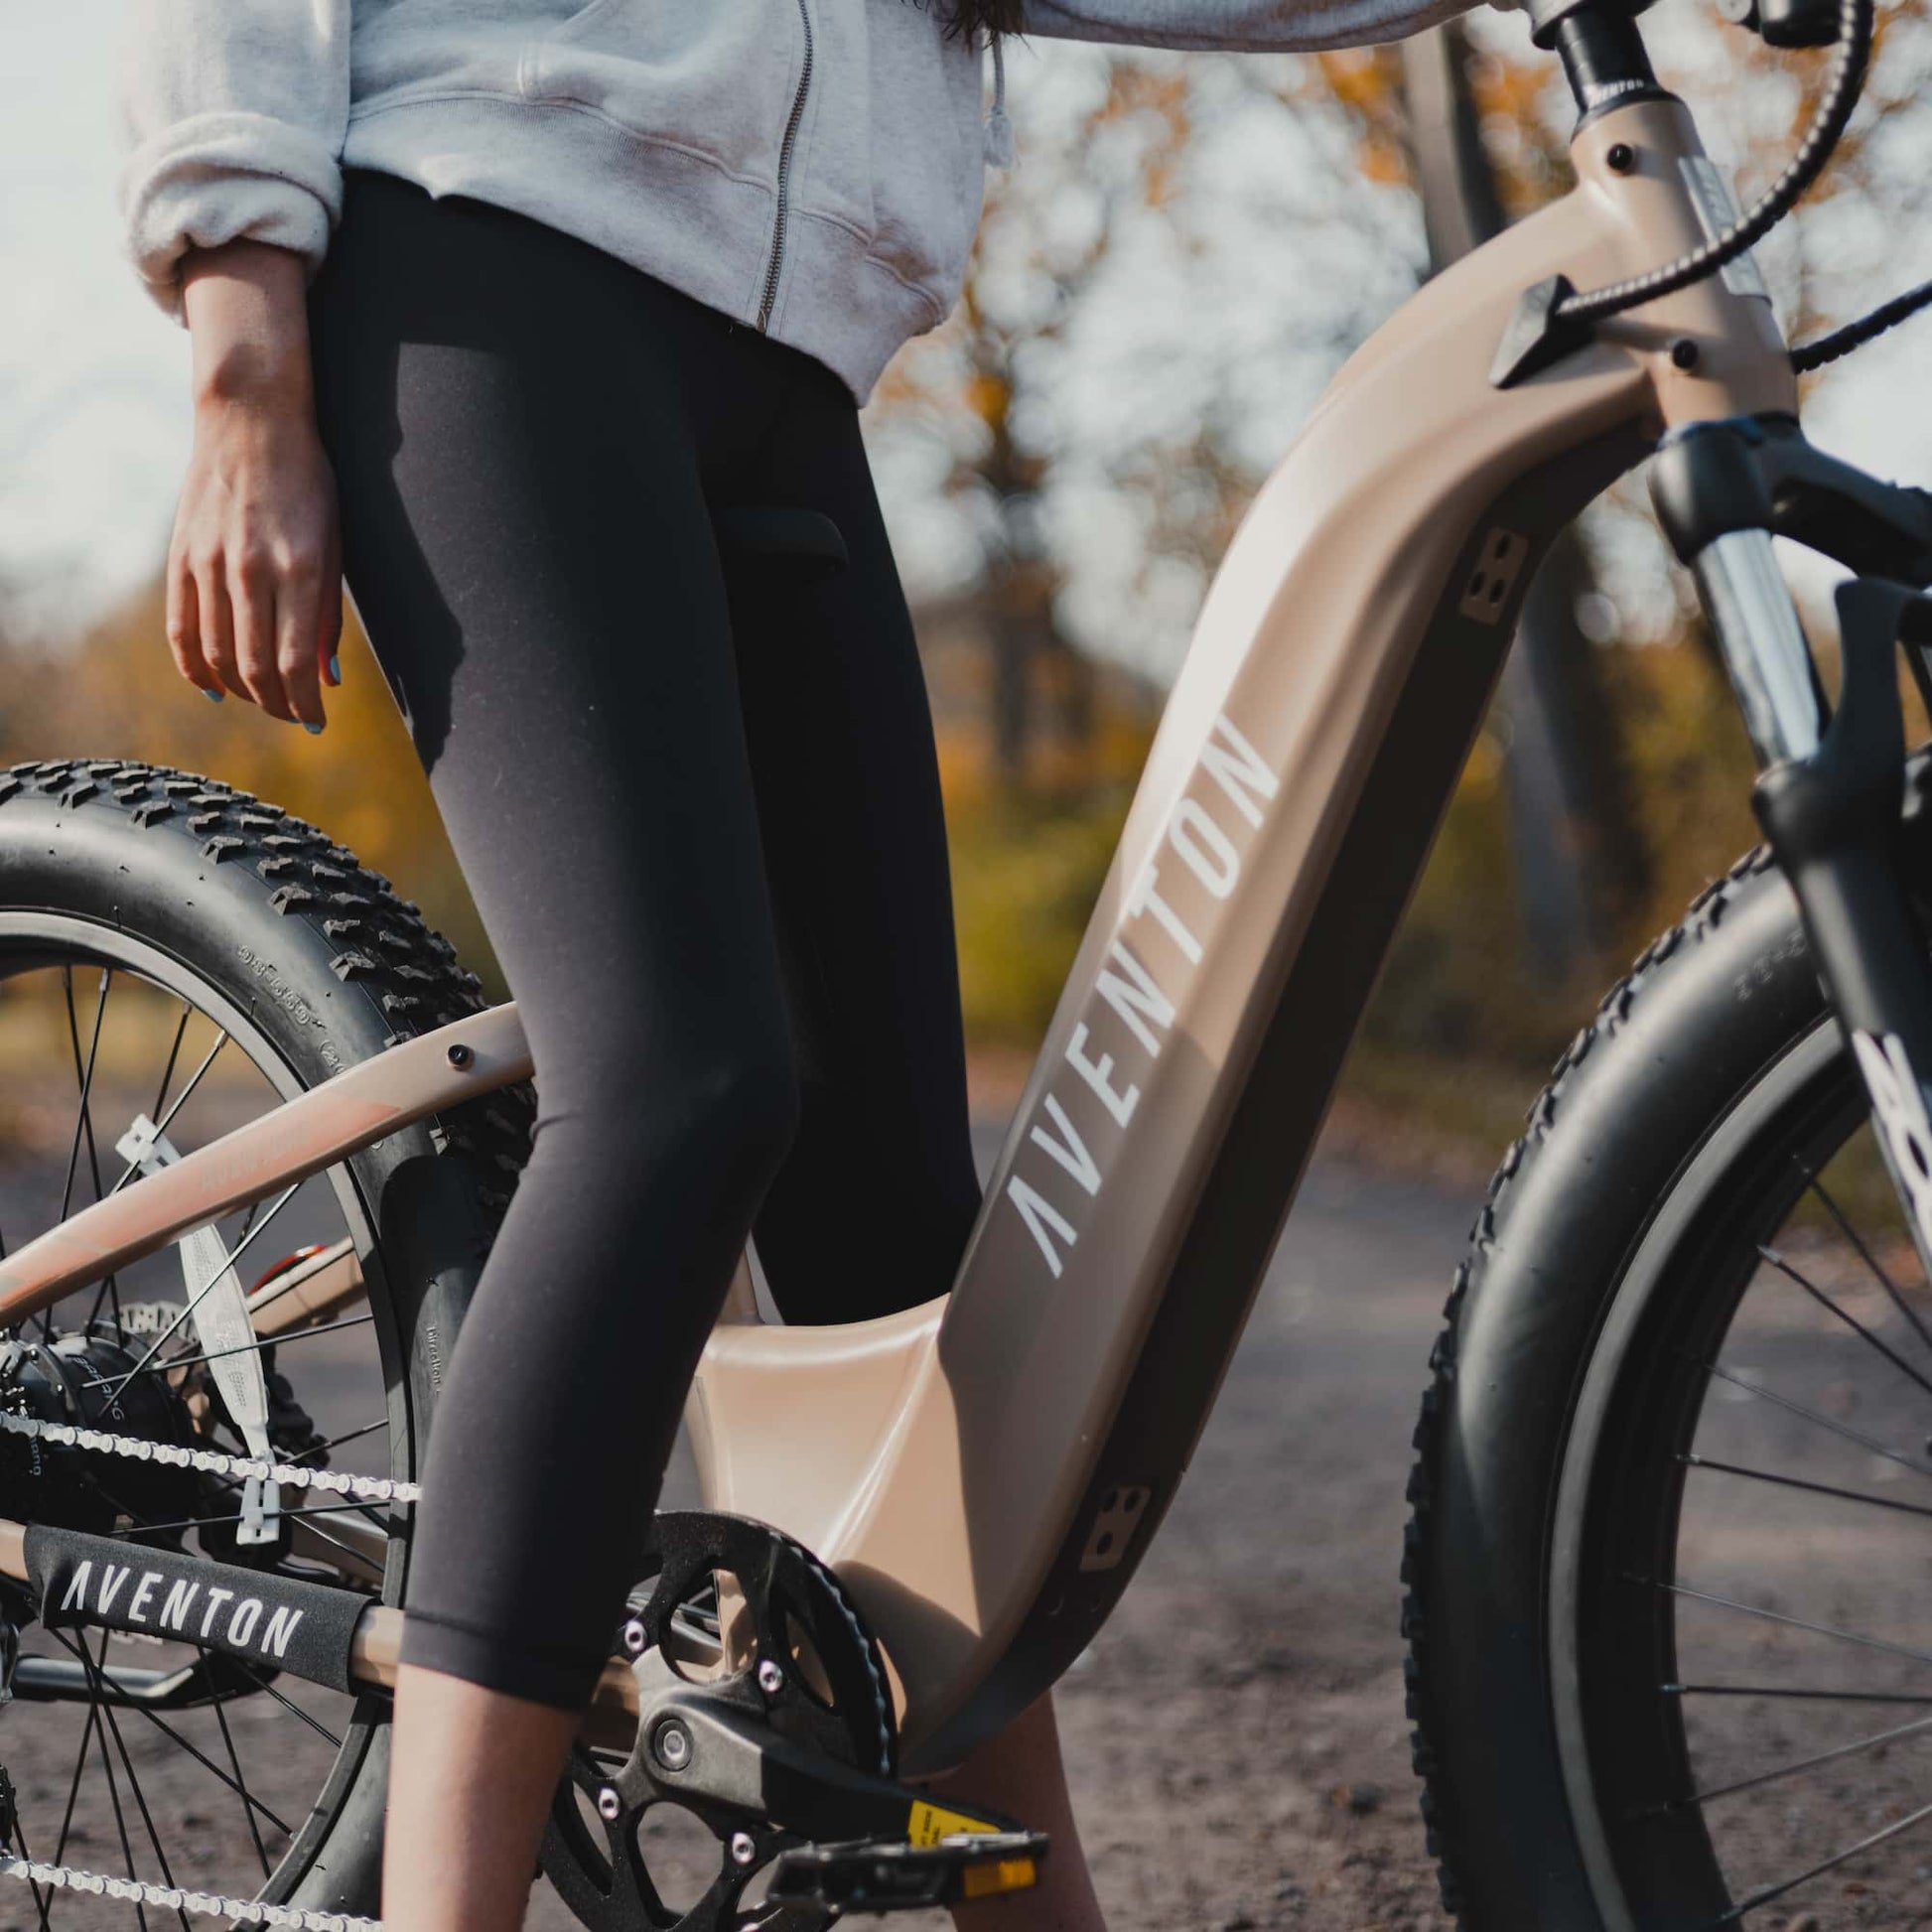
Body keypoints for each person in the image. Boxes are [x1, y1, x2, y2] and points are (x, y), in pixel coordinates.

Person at [120, 1, 1456, 1925]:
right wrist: (243, 332)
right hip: (484, 232)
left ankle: (1035, 1913)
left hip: (791, 357)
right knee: (679, 1086)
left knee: (902, 1231)